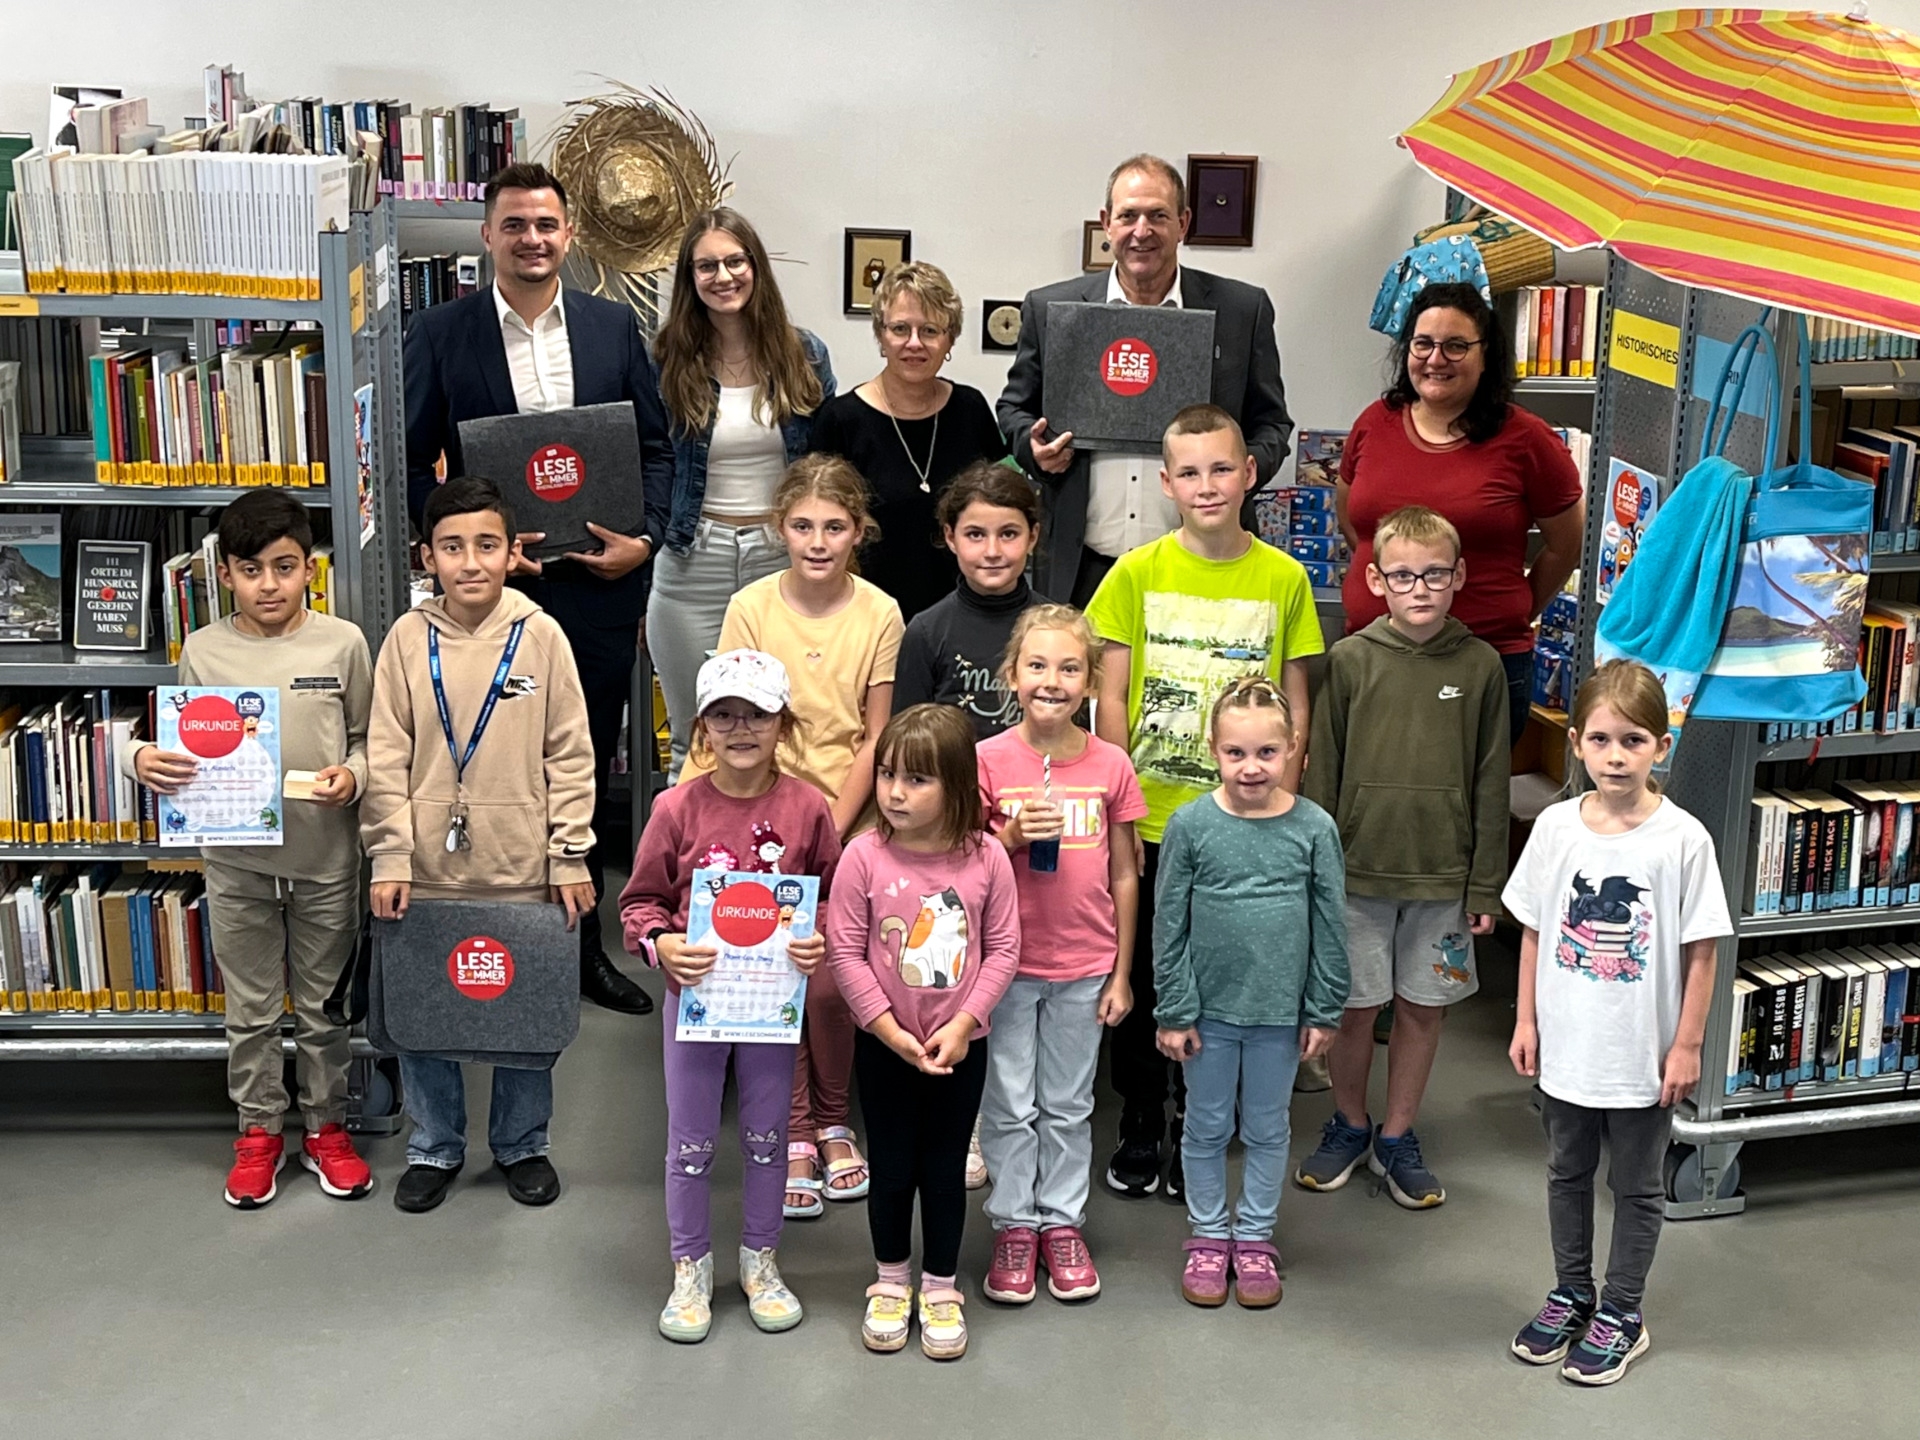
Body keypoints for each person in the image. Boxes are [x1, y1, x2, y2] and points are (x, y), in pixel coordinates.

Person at [403, 160, 672, 1017]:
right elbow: (410, 459)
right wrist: (459, 551)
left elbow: (658, 450)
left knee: (581, 766)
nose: (532, 239)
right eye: (514, 225)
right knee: (480, 759)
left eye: (546, 225)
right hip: (487, 593)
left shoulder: (611, 327)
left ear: (569, 236)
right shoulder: (441, 333)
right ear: (487, 236)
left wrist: (647, 541)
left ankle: (580, 949)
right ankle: (491, 931)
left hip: (595, 588)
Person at [1086, 403, 1323, 1201]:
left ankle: (1199, 1124)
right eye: (1189, 472)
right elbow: (1110, 695)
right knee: (1152, 973)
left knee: (1225, 977)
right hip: (1153, 815)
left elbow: (1296, 696)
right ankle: (1142, 1123)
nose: (1207, 485)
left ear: (1250, 472)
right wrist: (1119, 798)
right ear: (1166, 483)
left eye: (1222, 468)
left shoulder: (1283, 577)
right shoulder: (1136, 571)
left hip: (1246, 818)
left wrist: (1285, 796)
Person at [128, 489, 373, 1208]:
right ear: (225, 574)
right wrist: (144, 759)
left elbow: (368, 738)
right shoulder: (203, 650)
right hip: (237, 864)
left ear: (310, 569)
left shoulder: (343, 643)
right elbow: (184, 752)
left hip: (327, 859)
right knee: (253, 1008)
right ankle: (260, 1130)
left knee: (326, 1007)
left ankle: (328, 1127)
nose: (269, 585)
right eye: (251, 569)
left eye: (285, 566)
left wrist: (353, 775)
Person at [361, 477, 598, 1214]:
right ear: (426, 556)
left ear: (511, 551)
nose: (471, 563)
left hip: (522, 866)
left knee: (523, 1015)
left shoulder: (542, 635)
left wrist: (570, 851)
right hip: (427, 870)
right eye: (453, 547)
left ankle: (522, 1143)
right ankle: (434, 1146)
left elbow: (570, 753)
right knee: (427, 1013)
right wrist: (390, 855)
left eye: (488, 545)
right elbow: (386, 752)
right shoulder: (406, 640)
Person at [1504, 660, 1730, 1386]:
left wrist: (1687, 1044)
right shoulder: (1554, 828)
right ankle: (1573, 1293)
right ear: (1574, 743)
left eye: (1633, 741)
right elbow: (1536, 931)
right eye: (1600, 740)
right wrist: (1525, 1020)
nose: (1615, 756)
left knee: (1635, 1185)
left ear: (1661, 747)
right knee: (1566, 1172)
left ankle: (1623, 1312)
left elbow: (1703, 952)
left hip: (1643, 1051)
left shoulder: (1683, 840)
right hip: (1568, 1045)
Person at [691, 455, 904, 1218]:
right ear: (780, 528)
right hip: (759, 809)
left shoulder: (880, 612)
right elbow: (734, 711)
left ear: (859, 532)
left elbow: (878, 736)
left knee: (830, 984)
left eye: (836, 527)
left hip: (848, 815)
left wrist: (835, 826)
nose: (818, 541)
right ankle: (795, 1130)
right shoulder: (751, 604)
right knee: (771, 976)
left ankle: (836, 1118)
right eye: (804, 525)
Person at [619, 649, 842, 1344]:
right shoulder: (675, 808)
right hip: (696, 1004)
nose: (740, 728)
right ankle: (689, 1267)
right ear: (700, 728)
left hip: (773, 1012)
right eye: (723, 715)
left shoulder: (808, 808)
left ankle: (760, 1259)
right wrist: (661, 946)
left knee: (768, 1137)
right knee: (688, 1143)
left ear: (783, 725)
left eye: (757, 715)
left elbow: (835, 896)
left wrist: (820, 939)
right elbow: (640, 904)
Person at [1296, 506, 1509, 1209]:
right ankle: (1351, 1123)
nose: (1420, 588)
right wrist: (1315, 879)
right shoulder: (1350, 661)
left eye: (1435, 574)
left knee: (1424, 1007)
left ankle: (1397, 1134)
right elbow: (1320, 776)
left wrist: (1484, 888)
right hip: (1354, 877)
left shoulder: (1479, 668)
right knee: (1355, 1008)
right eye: (1404, 575)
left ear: (1459, 577)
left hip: (1443, 883)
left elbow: (1490, 779)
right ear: (1376, 579)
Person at [996, 154, 1294, 603]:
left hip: (1204, 564)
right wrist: (1035, 450)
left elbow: (1272, 425)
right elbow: (1013, 408)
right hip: (1083, 569)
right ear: (1106, 223)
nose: (1142, 231)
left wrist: (1233, 474)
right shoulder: (1051, 309)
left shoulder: (1241, 311)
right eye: (1128, 215)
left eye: (1158, 215)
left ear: (1184, 222)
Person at [825, 704, 1020, 1360]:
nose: (894, 793)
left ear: (959, 786)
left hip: (961, 1046)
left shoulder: (988, 857)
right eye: (886, 776)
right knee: (891, 1167)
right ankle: (889, 1280)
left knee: (943, 1169)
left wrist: (965, 1024)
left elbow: (1003, 950)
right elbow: (846, 952)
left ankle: (939, 1284)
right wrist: (884, 1029)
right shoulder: (862, 856)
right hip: (885, 1049)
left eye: (915, 780)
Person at [1154, 678, 1348, 1309]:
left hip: (1280, 1016)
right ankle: (1210, 1234)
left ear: (1294, 749)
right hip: (1207, 1015)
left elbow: (1329, 923)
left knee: (1267, 1127)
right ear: (1213, 749)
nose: (1251, 767)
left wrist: (1323, 1006)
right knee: (1206, 1126)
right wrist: (1175, 1008)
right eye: (1236, 753)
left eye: (1267, 752)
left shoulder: (1315, 828)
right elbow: (1168, 924)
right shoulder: (1189, 825)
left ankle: (1255, 1235)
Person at [976, 605, 1144, 1304]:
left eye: (1070, 668)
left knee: (1071, 1104)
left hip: (1085, 965)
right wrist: (1010, 837)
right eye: (1038, 666)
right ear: (1011, 675)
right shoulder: (986, 760)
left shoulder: (1111, 763)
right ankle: (1015, 1223)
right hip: (1007, 968)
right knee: (1010, 1102)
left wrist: (1123, 971)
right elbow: (963, 862)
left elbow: (1126, 872)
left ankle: (1062, 1221)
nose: (1053, 681)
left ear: (1092, 682)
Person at [1337, 282, 1586, 744]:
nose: (1435, 359)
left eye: (1456, 346)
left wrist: (1515, 606)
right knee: (1366, 800)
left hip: (1485, 661)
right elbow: (1353, 518)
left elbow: (1567, 542)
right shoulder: (1375, 422)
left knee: (1467, 805)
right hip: (1373, 653)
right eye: (1423, 343)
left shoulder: (1526, 439)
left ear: (1486, 354)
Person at [649, 208, 835, 780]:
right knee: (694, 737)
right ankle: (689, 872)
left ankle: (772, 868)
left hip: (780, 558)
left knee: (779, 731)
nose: (723, 276)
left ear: (755, 267)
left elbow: (824, 465)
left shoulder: (804, 354)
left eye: (735, 261)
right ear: (690, 278)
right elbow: (650, 464)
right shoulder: (665, 358)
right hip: (690, 560)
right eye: (707, 266)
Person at [811, 262, 1010, 621]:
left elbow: (999, 509)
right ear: (880, 336)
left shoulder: (972, 409)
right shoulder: (841, 420)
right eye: (900, 329)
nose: (914, 343)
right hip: (863, 617)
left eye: (930, 330)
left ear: (950, 339)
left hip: (964, 613)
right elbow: (818, 527)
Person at [892, 459, 1040, 739]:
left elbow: (1078, 737)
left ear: (1032, 536)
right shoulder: (926, 633)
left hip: (1040, 781)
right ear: (950, 537)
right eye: (975, 535)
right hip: (954, 781)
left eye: (1009, 534)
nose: (992, 551)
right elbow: (907, 743)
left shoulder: (1061, 628)